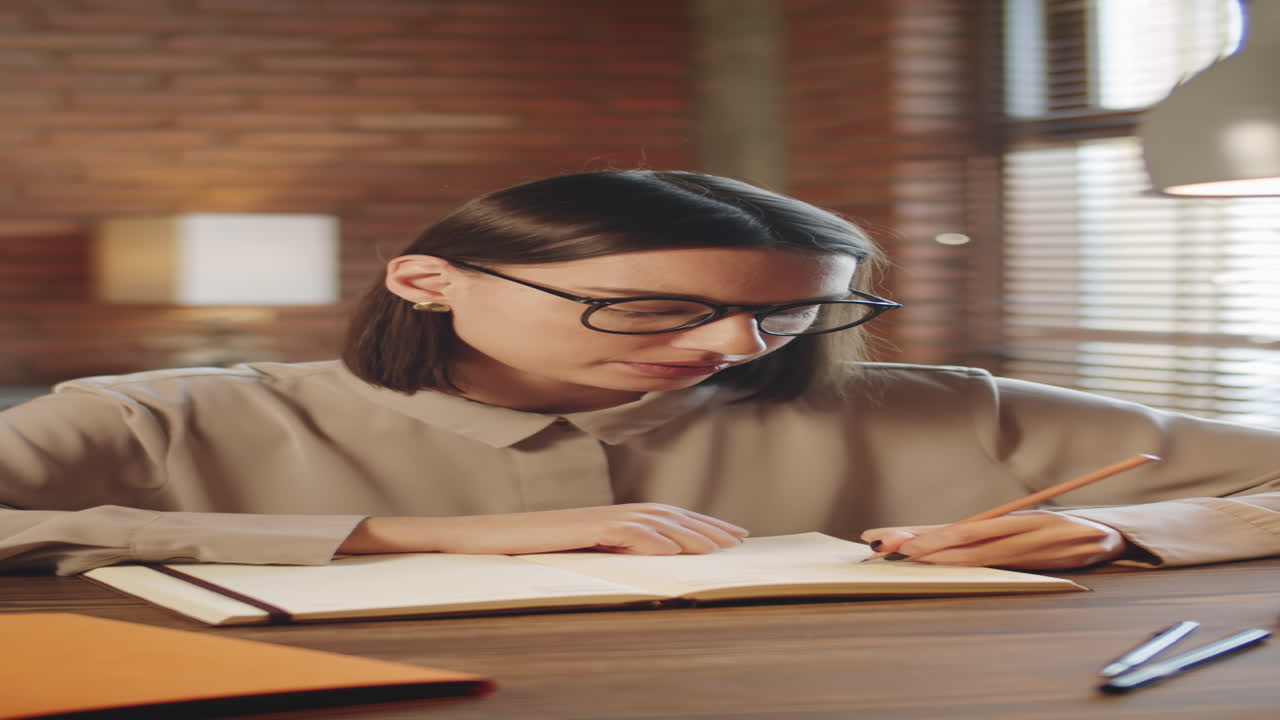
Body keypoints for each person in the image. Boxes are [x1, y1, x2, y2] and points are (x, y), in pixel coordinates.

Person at [2, 170, 1278, 577]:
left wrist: (1119, 529)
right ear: (425, 282)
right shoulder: (165, 416)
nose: (733, 350)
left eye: (789, 316)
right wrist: (403, 534)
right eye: (657, 309)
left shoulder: (940, 409)